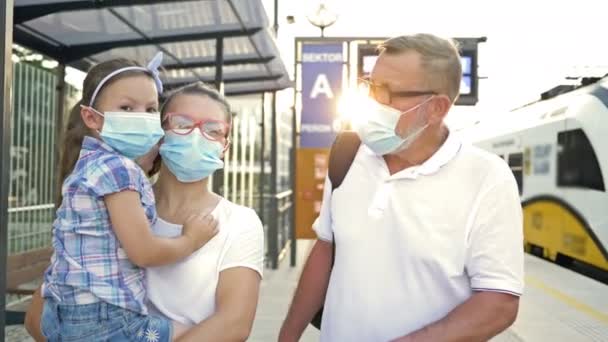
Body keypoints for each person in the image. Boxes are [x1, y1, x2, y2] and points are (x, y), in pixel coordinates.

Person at [279, 33, 524, 342]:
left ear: (436, 108)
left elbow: (499, 303)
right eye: (370, 86)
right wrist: (287, 336)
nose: (372, 101)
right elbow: (326, 249)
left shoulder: (487, 177)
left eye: (387, 92)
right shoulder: (347, 153)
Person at [26, 82, 264, 342]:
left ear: (225, 145)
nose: (196, 136)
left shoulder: (239, 222)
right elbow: (39, 317)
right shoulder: (111, 202)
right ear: (159, 133)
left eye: (213, 130)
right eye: (182, 124)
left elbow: (234, 325)